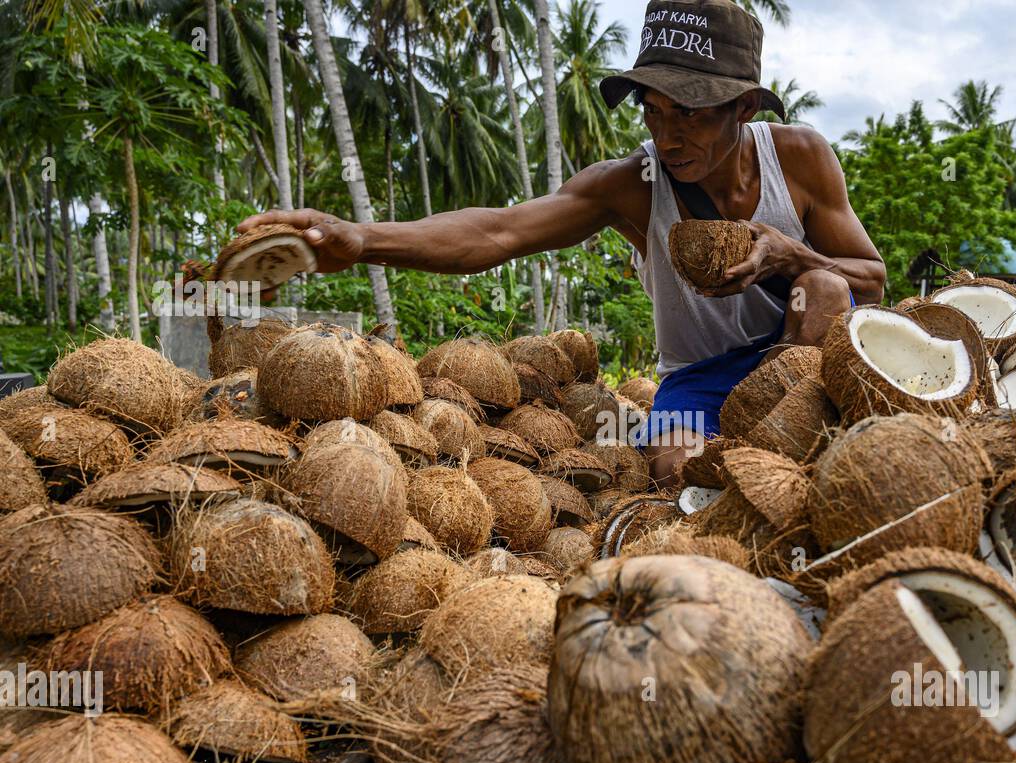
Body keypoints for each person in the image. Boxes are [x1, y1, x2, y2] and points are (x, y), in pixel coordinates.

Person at [239, 0, 885, 487]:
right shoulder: (630, 185)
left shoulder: (799, 157)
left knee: (824, 286)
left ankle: (802, 456)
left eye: (688, 112)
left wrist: (790, 254)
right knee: (674, 467)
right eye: (652, 110)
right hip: (697, 379)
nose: (667, 135)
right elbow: (500, 229)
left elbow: (871, 279)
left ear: (743, 108)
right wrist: (361, 239)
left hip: (795, 359)